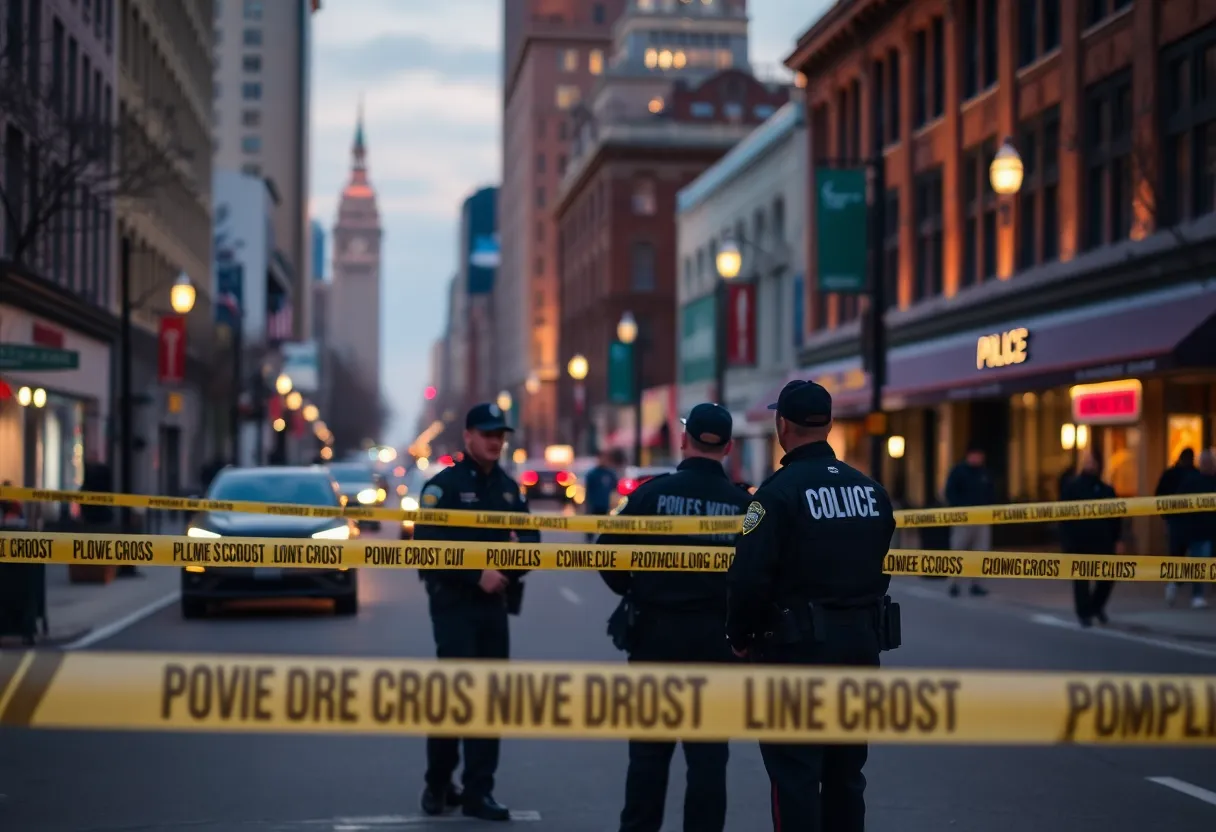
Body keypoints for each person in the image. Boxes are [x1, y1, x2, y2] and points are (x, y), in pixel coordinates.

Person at [726, 380, 899, 832]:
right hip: (861, 648)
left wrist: (740, 639)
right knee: (846, 775)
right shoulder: (871, 493)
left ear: (783, 425)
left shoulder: (775, 496)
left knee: (795, 775)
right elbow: (880, 570)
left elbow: (748, 578)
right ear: (827, 424)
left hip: (795, 653)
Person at [595, 403, 751, 832]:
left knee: (647, 757)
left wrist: (636, 590)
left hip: (655, 636)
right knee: (708, 762)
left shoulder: (649, 494)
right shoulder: (744, 506)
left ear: (684, 441)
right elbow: (759, 573)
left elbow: (606, 553)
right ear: (728, 447)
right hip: (716, 643)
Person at [412, 402, 539, 822]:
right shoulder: (442, 487)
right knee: (454, 696)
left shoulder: (507, 488)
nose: (495, 441)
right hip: (453, 605)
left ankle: (479, 790)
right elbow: (425, 546)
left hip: (494, 605)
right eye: (487, 433)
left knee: (489, 697)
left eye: (500, 434)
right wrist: (474, 575)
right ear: (467, 437)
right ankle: (438, 783)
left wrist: (505, 571)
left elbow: (532, 541)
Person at [1059, 451, 1123, 626]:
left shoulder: (1106, 490)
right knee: (1081, 580)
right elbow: (1063, 517)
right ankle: (1084, 613)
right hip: (1079, 541)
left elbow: (1116, 516)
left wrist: (1118, 539)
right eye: (1086, 461)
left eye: (1092, 461)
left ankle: (1096, 606)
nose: (1089, 464)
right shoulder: (1072, 487)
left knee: (1107, 577)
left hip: (1103, 541)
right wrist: (1066, 542)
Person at [944, 444, 995, 598]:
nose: (979, 458)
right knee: (958, 550)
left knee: (981, 552)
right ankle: (954, 583)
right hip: (963, 519)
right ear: (969, 455)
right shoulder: (959, 472)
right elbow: (950, 492)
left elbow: (991, 492)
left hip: (982, 518)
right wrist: (959, 509)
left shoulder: (984, 473)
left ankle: (977, 583)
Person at [1174, 449, 1216, 610]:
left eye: (1211, 462)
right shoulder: (1192, 481)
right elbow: (1179, 502)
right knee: (1199, 562)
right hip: (1198, 531)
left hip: (1212, 530)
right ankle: (1197, 595)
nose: (1209, 465)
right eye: (1206, 462)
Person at [1155, 448, 1196, 604]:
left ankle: (1178, 584)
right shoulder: (1175, 475)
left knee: (1180, 553)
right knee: (1179, 553)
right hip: (1180, 522)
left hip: (1184, 522)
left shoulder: (1179, 474)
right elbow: (1160, 495)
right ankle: (1175, 583)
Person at [583, 449, 622, 541]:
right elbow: (587, 491)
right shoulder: (592, 474)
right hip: (594, 506)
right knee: (591, 528)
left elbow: (615, 490)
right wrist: (587, 505)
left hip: (606, 506)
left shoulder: (610, 474)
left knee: (605, 529)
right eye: (601, 458)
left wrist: (614, 505)